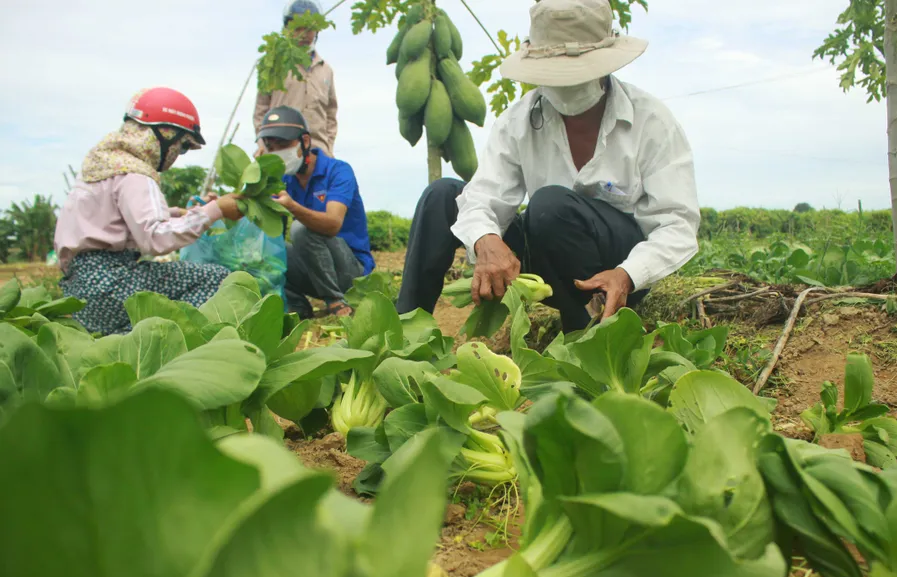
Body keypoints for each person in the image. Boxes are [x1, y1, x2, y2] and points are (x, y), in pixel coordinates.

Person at [396, 0, 701, 333]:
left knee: (550, 204)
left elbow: (677, 224)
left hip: (617, 272)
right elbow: (483, 195)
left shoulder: (651, 121)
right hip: (547, 259)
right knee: (441, 196)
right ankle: (403, 335)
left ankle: (583, 330)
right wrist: (486, 240)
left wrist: (629, 274)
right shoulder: (518, 122)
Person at [54, 87, 244, 336]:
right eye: (183, 146)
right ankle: (152, 341)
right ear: (165, 135)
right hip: (111, 285)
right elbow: (156, 238)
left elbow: (122, 219)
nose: (179, 155)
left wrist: (178, 213)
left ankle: (120, 338)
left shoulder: (106, 164)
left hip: (80, 291)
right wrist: (215, 210)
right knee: (217, 279)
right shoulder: (136, 174)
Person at [257, 105, 374, 319]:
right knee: (268, 246)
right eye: (271, 147)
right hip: (316, 273)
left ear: (306, 142)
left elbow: (333, 224)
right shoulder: (283, 180)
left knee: (301, 229)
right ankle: (297, 307)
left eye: (284, 145)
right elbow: (271, 232)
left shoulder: (338, 171)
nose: (278, 153)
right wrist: (260, 176)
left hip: (352, 273)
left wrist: (293, 207)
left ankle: (335, 300)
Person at [254, 0, 338, 157]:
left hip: (318, 153)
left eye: (309, 29)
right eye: (297, 28)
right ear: (287, 29)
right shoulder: (272, 63)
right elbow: (261, 111)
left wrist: (328, 148)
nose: (303, 34)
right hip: (280, 150)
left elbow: (331, 115)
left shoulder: (326, 70)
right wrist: (263, 147)